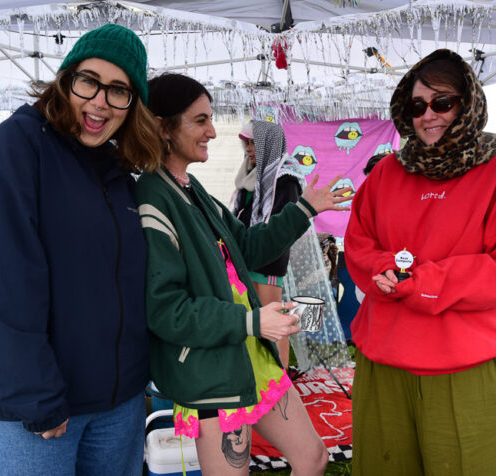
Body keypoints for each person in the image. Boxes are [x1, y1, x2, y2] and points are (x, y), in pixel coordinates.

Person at [0, 23, 163, 475]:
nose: (100, 101)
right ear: (65, 80)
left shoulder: (114, 169)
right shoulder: (16, 148)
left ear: (133, 104)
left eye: (119, 90)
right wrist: (35, 396)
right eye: (89, 81)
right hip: (33, 414)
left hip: (117, 405)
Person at [137, 73, 349, 475]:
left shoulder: (192, 188)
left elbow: (249, 247)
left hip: (250, 353)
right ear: (163, 127)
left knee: (314, 458)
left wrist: (305, 209)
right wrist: (251, 321)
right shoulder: (153, 196)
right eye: (200, 120)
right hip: (212, 369)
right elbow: (166, 311)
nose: (213, 132)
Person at [344, 49, 496, 475]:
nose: (428, 115)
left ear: (467, 104)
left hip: (467, 366)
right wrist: (384, 269)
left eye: (442, 102)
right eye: (418, 106)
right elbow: (359, 242)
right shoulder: (387, 173)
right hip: (384, 359)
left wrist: (422, 281)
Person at [232, 120, 303, 368]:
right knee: (256, 320)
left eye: (254, 143)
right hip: (248, 256)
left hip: (270, 261)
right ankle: (259, 374)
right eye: (247, 143)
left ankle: (281, 379)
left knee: (276, 321)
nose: (249, 149)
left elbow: (281, 226)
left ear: (268, 144)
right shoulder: (250, 175)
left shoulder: (286, 180)